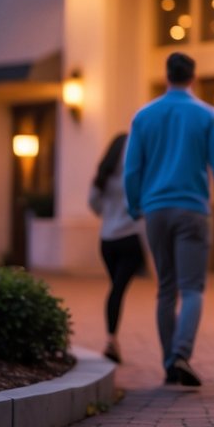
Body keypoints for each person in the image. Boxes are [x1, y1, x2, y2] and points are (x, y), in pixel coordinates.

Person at [124, 51, 214, 387]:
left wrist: (136, 207)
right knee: (191, 289)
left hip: (156, 211)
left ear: (167, 76)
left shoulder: (144, 117)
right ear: (193, 77)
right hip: (192, 210)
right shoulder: (207, 115)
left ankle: (168, 363)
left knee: (165, 289)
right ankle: (181, 354)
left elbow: (132, 170)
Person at [88, 131, 145, 364]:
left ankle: (112, 338)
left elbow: (93, 203)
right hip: (130, 238)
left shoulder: (104, 177)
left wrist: (107, 214)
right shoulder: (135, 177)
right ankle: (111, 340)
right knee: (118, 290)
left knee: (116, 289)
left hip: (107, 240)